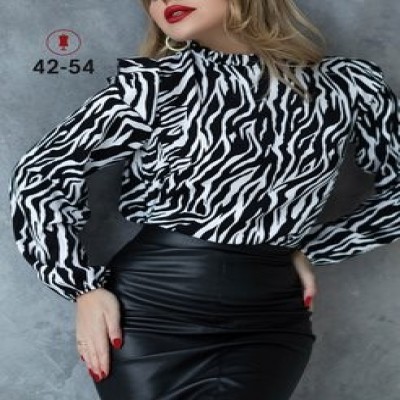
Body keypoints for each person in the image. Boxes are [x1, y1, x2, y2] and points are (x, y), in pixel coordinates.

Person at [8, 0, 400, 399]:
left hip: (269, 320)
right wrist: (82, 288)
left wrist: (315, 249)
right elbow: (39, 174)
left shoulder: (347, 86)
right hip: (153, 313)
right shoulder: (159, 85)